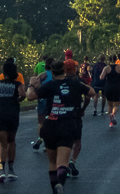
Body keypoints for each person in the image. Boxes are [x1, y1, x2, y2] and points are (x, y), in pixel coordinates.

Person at [27, 59, 93, 194]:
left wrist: (32, 84)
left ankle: (54, 189)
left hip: (51, 124)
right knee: (62, 162)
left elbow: (30, 96)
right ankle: (60, 184)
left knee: (52, 162)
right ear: (64, 71)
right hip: (68, 124)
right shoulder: (74, 83)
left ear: (52, 71)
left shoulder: (49, 85)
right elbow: (91, 93)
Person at [0, 58, 25, 182]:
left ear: (4, 72)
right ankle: (11, 169)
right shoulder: (17, 84)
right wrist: (17, 100)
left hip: (0, 114)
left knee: (1, 144)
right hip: (12, 114)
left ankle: (1, 169)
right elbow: (23, 94)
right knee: (11, 141)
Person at [31, 58, 54, 148]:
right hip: (52, 99)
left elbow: (36, 85)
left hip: (42, 99)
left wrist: (36, 90)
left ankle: (40, 137)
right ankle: (47, 143)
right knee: (51, 119)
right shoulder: (55, 75)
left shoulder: (42, 75)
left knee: (41, 122)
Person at [100, 56, 120, 127]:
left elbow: (101, 77)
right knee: (116, 104)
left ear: (109, 60)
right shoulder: (119, 68)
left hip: (108, 87)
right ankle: (114, 114)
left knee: (109, 105)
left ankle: (111, 123)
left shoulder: (106, 68)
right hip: (116, 87)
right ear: (116, 60)